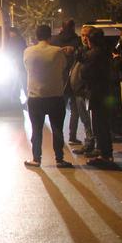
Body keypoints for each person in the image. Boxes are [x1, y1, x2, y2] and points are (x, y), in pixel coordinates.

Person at [23, 24, 73, 168]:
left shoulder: (27, 51)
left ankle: (36, 158)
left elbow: (26, 67)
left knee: (36, 130)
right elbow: (63, 67)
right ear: (50, 36)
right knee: (57, 129)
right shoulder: (57, 51)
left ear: (35, 36)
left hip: (35, 97)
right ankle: (59, 158)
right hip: (55, 96)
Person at [81, 27, 115, 165]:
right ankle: (105, 152)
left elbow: (85, 73)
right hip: (106, 91)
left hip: (96, 92)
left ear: (91, 41)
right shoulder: (106, 53)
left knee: (99, 124)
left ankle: (104, 155)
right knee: (104, 124)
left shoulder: (92, 55)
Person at [51, 19, 83, 144]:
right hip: (75, 79)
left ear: (62, 28)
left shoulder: (54, 41)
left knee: (60, 110)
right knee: (75, 110)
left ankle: (58, 137)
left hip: (60, 79)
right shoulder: (77, 41)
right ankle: (72, 136)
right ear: (73, 28)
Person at [69, 25, 96, 154]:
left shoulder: (90, 52)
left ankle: (90, 143)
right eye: (83, 35)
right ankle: (89, 142)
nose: (84, 38)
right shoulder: (82, 50)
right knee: (84, 119)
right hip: (78, 90)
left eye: (87, 35)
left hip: (85, 91)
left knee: (88, 119)